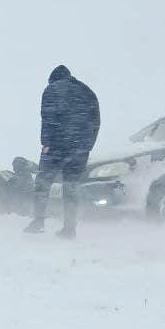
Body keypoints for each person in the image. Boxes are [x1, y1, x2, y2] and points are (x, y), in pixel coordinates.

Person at [25, 65, 100, 238]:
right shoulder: (88, 92)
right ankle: (70, 228)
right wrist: (88, 145)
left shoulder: (52, 89)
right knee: (71, 187)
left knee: (43, 183)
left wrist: (46, 142)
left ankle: (38, 222)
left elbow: (48, 116)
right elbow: (96, 121)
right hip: (81, 148)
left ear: (53, 79)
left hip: (57, 145)